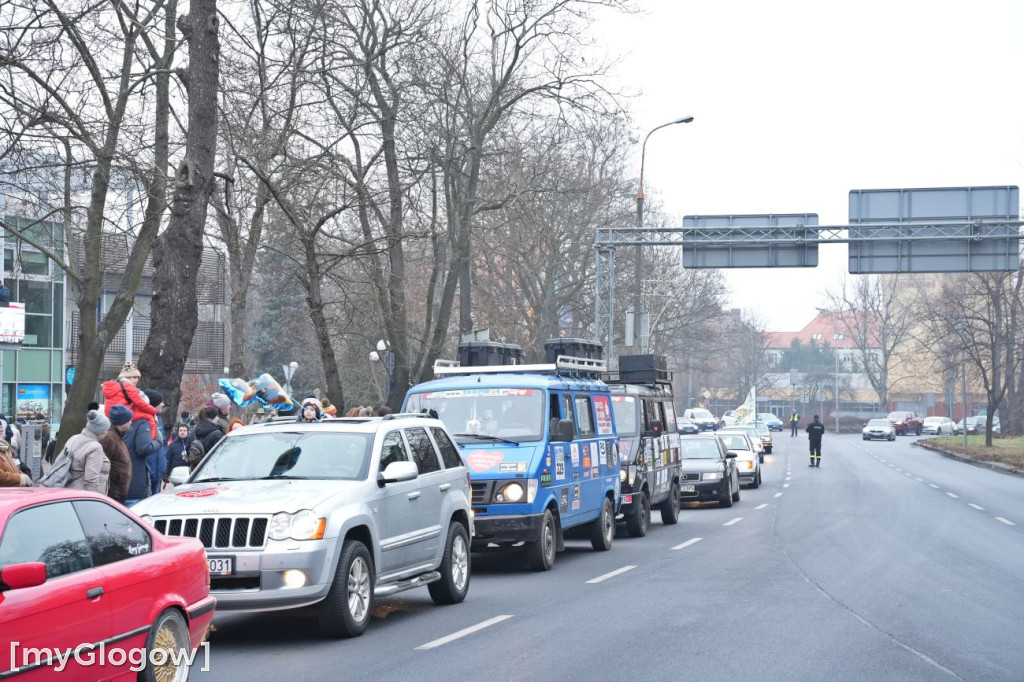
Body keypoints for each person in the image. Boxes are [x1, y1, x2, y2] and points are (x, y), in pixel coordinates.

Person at [123, 400, 164, 508]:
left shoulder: (126, 421)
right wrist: (159, 441)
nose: (163, 404)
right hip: (135, 484)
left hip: (131, 481)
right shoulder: (142, 422)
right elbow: (144, 448)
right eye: (160, 402)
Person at [65, 410, 111, 494]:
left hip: (70, 490)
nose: (106, 432)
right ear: (100, 431)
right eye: (105, 430)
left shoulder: (73, 439)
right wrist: (96, 499)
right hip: (84, 495)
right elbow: (91, 480)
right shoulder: (95, 447)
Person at [100, 405, 133, 504]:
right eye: (129, 420)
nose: (131, 422)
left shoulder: (117, 436)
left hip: (117, 492)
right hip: (113, 493)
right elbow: (102, 464)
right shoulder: (109, 438)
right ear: (122, 422)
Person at [143, 389, 167, 496]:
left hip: (158, 472)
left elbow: (163, 443)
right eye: (160, 402)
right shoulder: (144, 420)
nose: (163, 404)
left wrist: (164, 465)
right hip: (147, 472)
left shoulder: (158, 419)